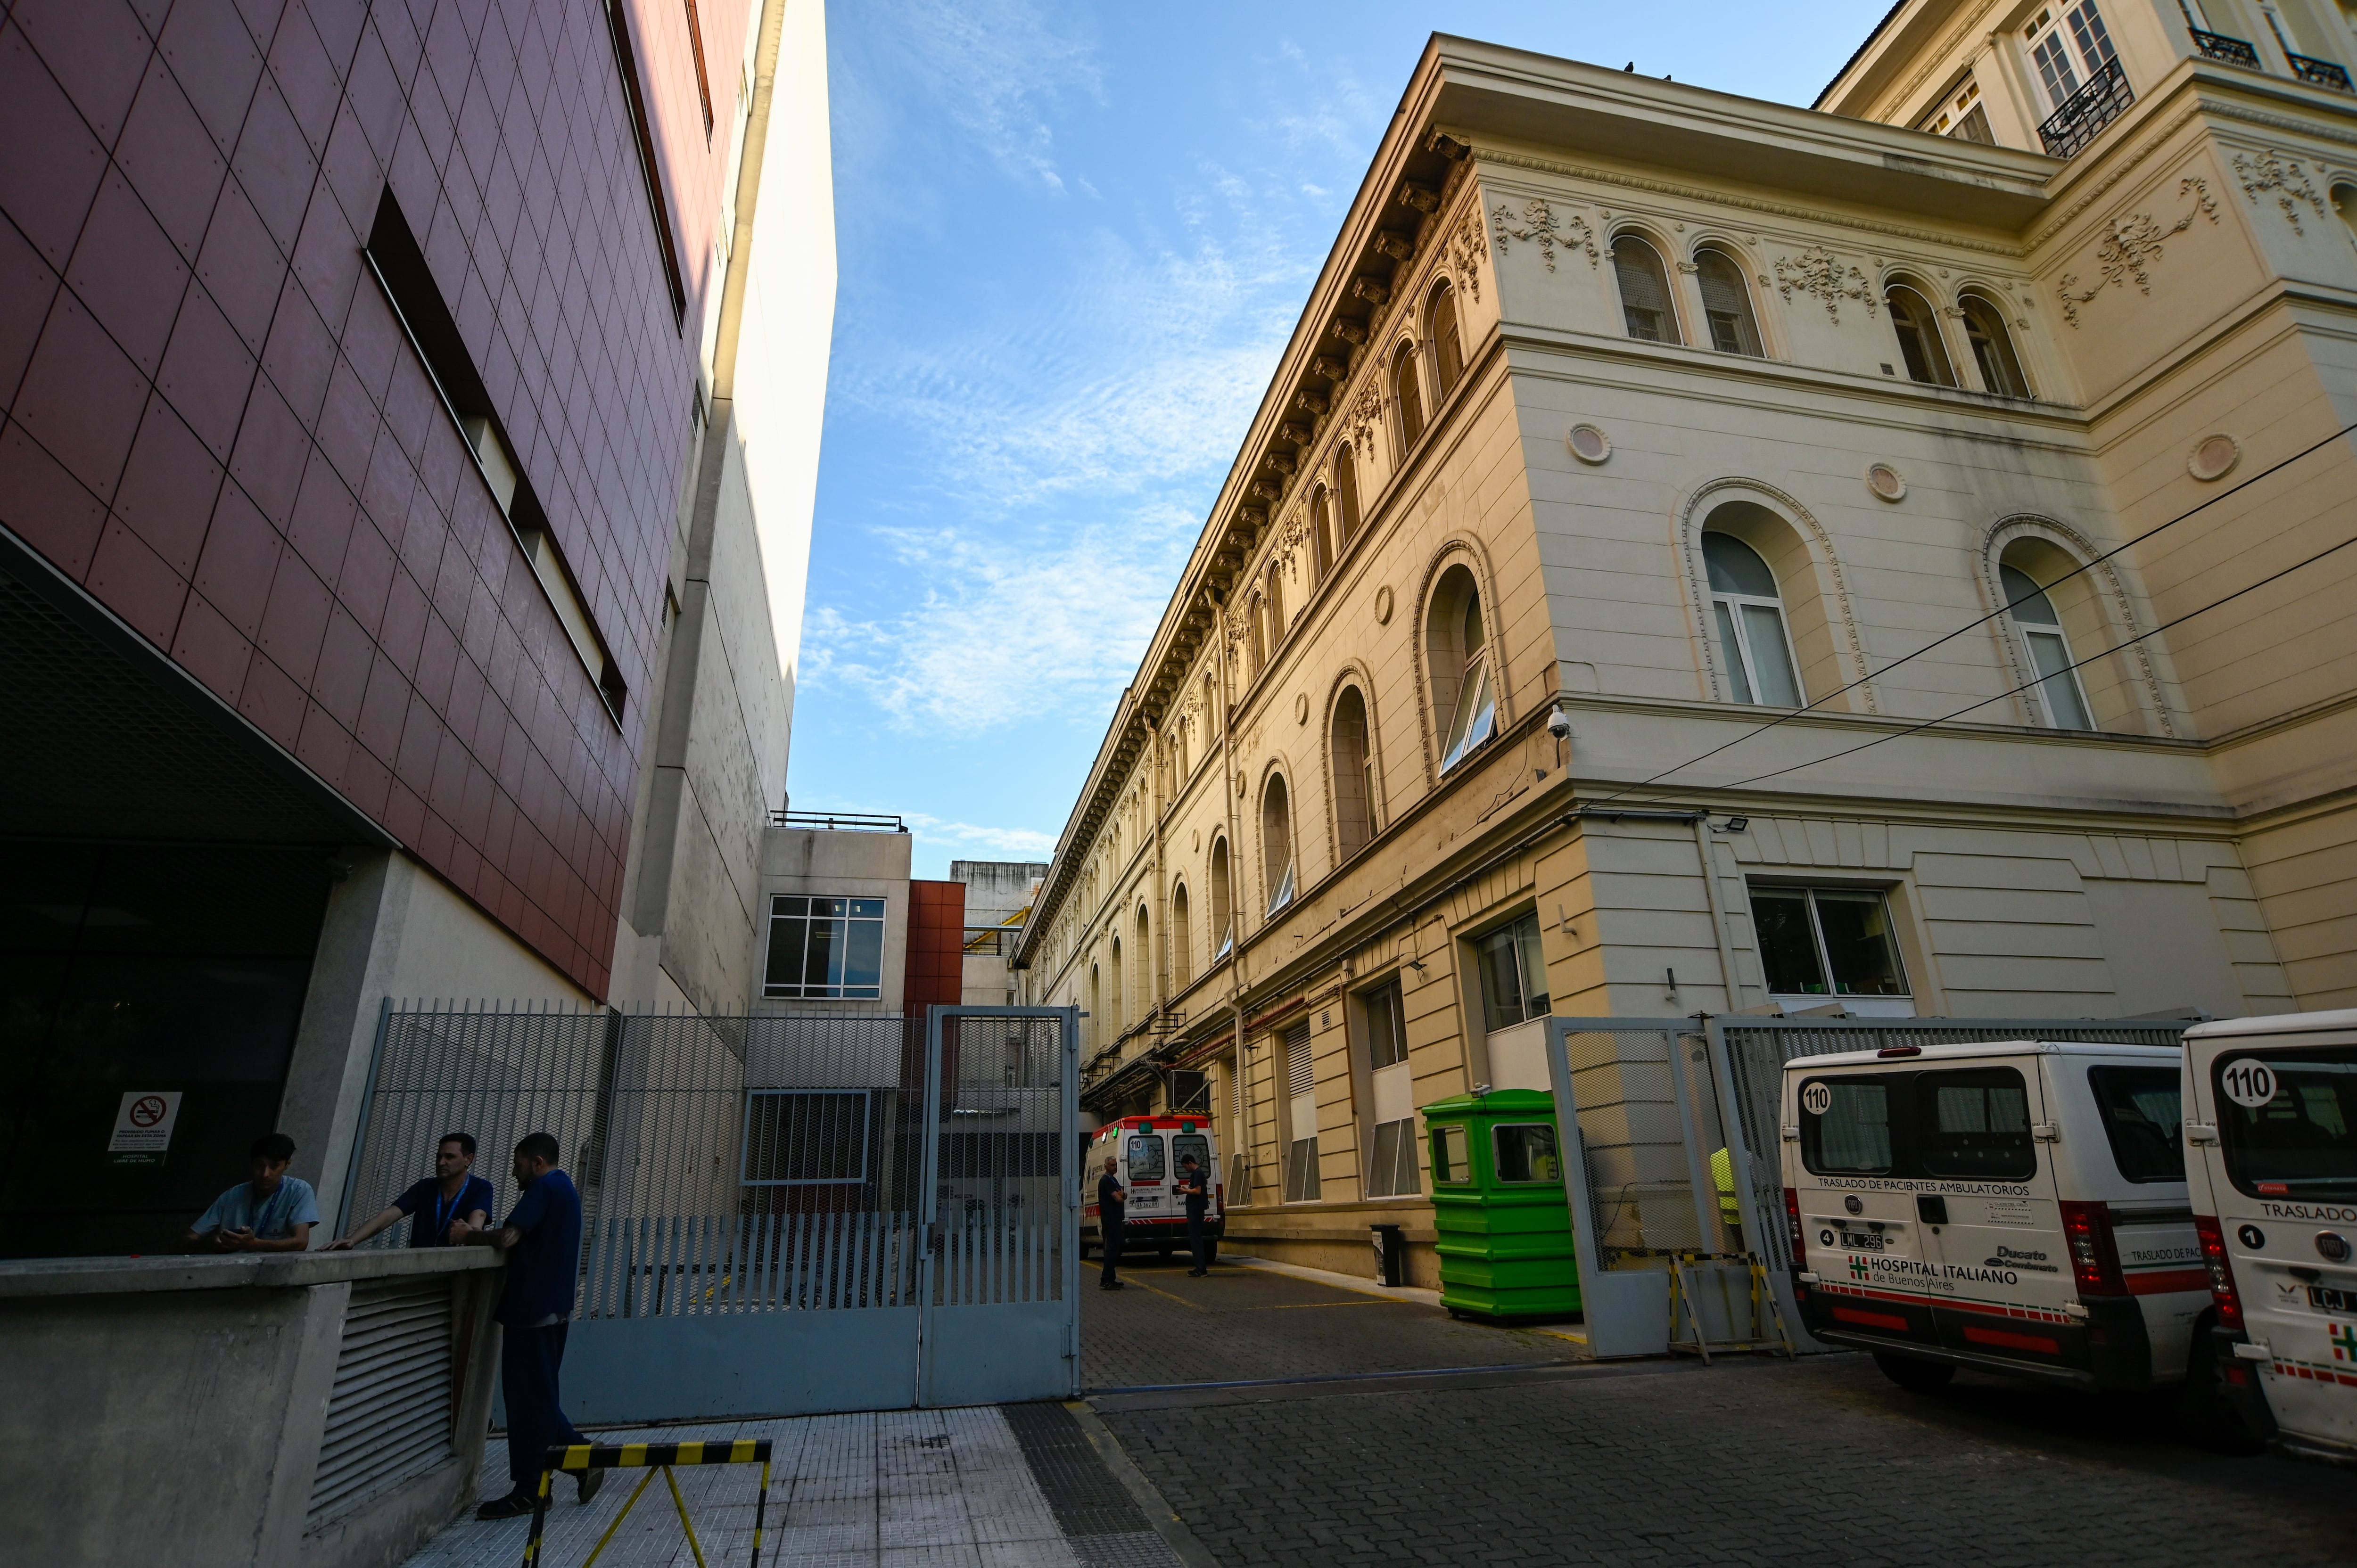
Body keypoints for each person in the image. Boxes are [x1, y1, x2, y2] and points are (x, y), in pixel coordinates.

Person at [453, 1133, 602, 1518]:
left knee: (526, 1400)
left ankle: (532, 1487)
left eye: (518, 1165)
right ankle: (580, 1456)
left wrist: (469, 1235)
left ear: (537, 1162)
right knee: (537, 1396)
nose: (515, 1174)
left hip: (533, 1311)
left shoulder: (545, 1188)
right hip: (551, 1310)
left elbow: (507, 1236)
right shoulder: (566, 1188)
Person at [325, 1133, 494, 1250]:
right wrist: (352, 1241)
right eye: (438, 1156)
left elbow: (477, 1220)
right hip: (420, 1267)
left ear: (468, 1159)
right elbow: (387, 1216)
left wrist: (469, 1232)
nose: (441, 1162)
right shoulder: (425, 1187)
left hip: (456, 1271)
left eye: (450, 1157)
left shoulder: (481, 1187)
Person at [186, 1133, 318, 1253]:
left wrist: (253, 1244)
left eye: (274, 1166)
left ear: (287, 1164)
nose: (265, 1174)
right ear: (251, 1164)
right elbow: (187, 1239)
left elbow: (301, 1242)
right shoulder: (232, 1196)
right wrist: (210, 1243)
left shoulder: (299, 1190)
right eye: (259, 1166)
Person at [1177, 1153, 1212, 1277]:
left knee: (1196, 1239)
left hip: (1196, 1210)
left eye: (1186, 1167)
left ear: (1190, 1163)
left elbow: (1198, 1191)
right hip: (1195, 1210)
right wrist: (1186, 1189)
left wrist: (1185, 1191)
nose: (1186, 1169)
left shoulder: (1198, 1173)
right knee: (1196, 1239)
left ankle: (1201, 1268)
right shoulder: (1197, 1174)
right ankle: (1200, 1267)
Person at [1096, 1155, 1126, 1291]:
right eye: (1112, 1165)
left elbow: (1123, 1195)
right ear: (1106, 1166)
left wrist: (1122, 1195)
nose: (1115, 1167)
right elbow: (1119, 1198)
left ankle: (1111, 1279)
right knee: (1111, 1250)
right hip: (1110, 1220)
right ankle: (1106, 1279)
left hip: (1116, 1219)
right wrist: (1121, 1196)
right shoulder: (1106, 1181)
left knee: (1114, 1250)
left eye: (1116, 1165)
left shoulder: (1113, 1180)